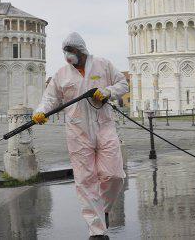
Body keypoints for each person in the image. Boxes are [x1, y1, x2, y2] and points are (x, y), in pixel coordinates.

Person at [32, 32, 128, 239]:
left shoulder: (103, 65)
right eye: (65, 52)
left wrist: (108, 92)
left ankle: (103, 209)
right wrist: (39, 112)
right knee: (86, 180)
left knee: (115, 175)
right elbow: (50, 98)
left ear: (81, 50)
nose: (68, 55)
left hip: (104, 126)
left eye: (71, 51)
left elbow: (123, 84)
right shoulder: (61, 74)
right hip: (77, 131)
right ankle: (97, 229)